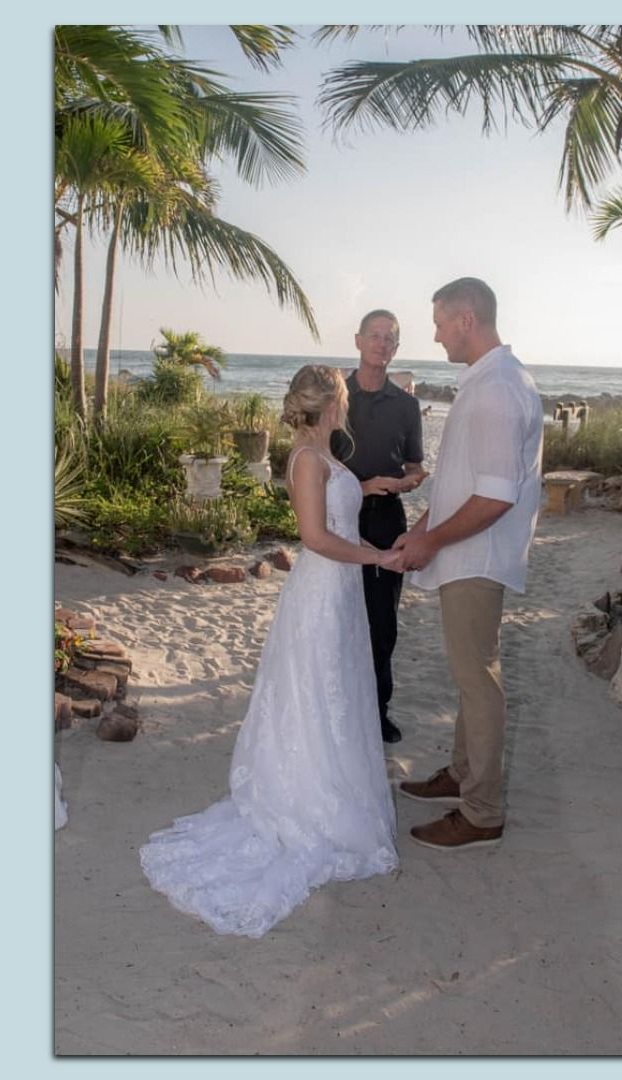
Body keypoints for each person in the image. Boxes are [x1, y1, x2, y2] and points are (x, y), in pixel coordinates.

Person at [139, 365, 403, 937]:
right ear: (333, 403)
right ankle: (309, 803)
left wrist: (372, 505)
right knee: (315, 696)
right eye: (343, 395)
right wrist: (378, 558)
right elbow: (315, 538)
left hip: (339, 593)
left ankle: (334, 793)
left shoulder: (325, 457)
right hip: (321, 591)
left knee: (336, 694)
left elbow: (338, 517)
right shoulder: (307, 460)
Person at [389, 277, 544, 851]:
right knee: (469, 676)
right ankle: (462, 775)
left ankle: (482, 812)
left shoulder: (500, 387)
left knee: (478, 682)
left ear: (467, 319)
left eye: (439, 322)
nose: (434, 335)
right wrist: (423, 528)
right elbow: (464, 481)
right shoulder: (487, 381)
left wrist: (432, 543)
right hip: (465, 549)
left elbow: (497, 494)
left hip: (477, 556)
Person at [331, 309, 427, 744]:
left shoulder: (407, 406)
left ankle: (377, 711)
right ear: (357, 341)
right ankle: (337, 705)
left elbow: (416, 465)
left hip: (387, 518)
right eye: (375, 335)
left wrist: (408, 481)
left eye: (391, 338)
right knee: (337, 614)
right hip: (339, 515)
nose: (382, 343)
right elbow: (314, 463)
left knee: (382, 621)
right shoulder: (335, 399)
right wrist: (361, 485)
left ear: (396, 348)